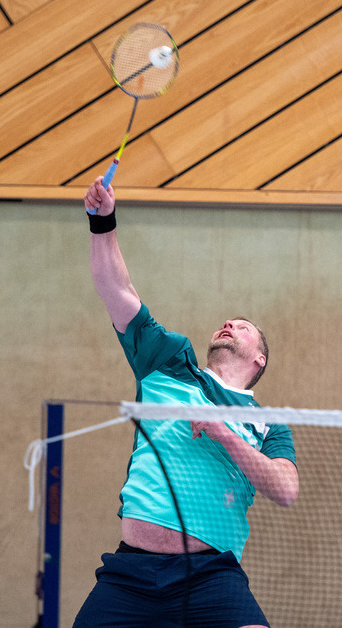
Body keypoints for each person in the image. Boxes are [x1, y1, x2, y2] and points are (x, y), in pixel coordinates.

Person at [74, 176, 299, 628]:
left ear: (259, 358)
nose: (229, 325)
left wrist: (220, 431)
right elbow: (115, 290)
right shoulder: (167, 362)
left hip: (209, 577)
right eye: (226, 322)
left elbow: (286, 490)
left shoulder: (269, 424)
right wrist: (103, 222)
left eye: (243, 326)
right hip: (130, 574)